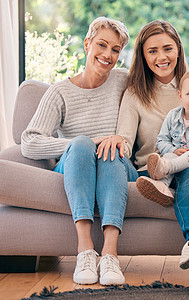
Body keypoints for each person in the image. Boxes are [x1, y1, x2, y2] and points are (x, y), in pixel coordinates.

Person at [113, 20, 189, 286]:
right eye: (152, 51)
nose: (161, 57)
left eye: (167, 48)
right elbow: (124, 140)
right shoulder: (135, 94)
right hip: (160, 168)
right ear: (143, 56)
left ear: (178, 50)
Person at [21, 17, 134, 286]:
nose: (108, 55)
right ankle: (85, 250)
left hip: (117, 165)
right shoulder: (60, 92)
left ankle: (109, 255)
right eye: (102, 45)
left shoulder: (123, 81)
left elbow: (164, 85)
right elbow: (29, 141)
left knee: (110, 149)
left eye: (115, 50)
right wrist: (80, 142)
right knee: (83, 143)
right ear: (87, 44)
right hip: (75, 165)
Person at [136, 69, 189, 207]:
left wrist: (188, 154)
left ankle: (166, 167)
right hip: (180, 165)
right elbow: (162, 140)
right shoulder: (173, 116)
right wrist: (174, 150)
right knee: (170, 155)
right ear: (180, 96)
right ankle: (162, 186)